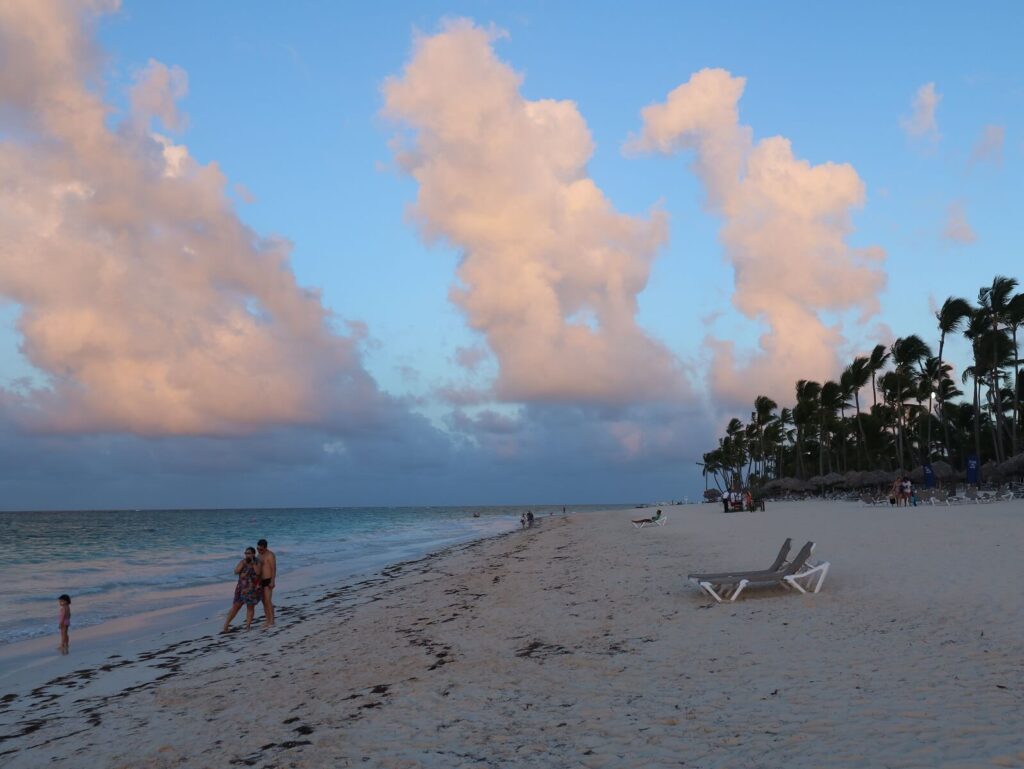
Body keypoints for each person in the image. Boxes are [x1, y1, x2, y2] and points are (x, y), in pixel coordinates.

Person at [222, 546, 262, 633]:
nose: (247, 555)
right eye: (246, 553)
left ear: (253, 554)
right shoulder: (242, 562)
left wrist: (252, 563)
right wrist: (243, 565)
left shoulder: (257, 562)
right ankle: (226, 625)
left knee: (250, 607)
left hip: (251, 588)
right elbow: (236, 571)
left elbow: (258, 572)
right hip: (241, 588)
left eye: (249, 553)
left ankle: (248, 626)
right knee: (236, 606)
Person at [257, 538, 276, 629]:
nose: (259, 550)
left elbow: (273, 569)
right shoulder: (259, 555)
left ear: (265, 548)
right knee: (264, 601)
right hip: (261, 581)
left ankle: (272, 620)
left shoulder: (270, 555)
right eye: (258, 549)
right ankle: (267, 619)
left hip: (268, 580)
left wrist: (273, 581)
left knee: (268, 601)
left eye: (261, 549)